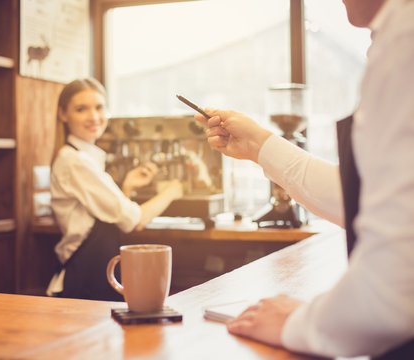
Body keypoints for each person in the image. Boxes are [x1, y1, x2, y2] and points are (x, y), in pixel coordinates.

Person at [195, 0, 414, 358]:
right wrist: (259, 146)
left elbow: (392, 289)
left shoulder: (404, 39)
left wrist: (297, 323)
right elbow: (365, 201)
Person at [47, 78, 183, 301]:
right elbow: (134, 220)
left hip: (93, 274)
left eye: (99, 107)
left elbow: (104, 217)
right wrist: (173, 191)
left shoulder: (84, 158)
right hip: (84, 279)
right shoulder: (75, 161)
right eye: (81, 109)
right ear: (63, 114)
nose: (93, 117)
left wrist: (127, 186)